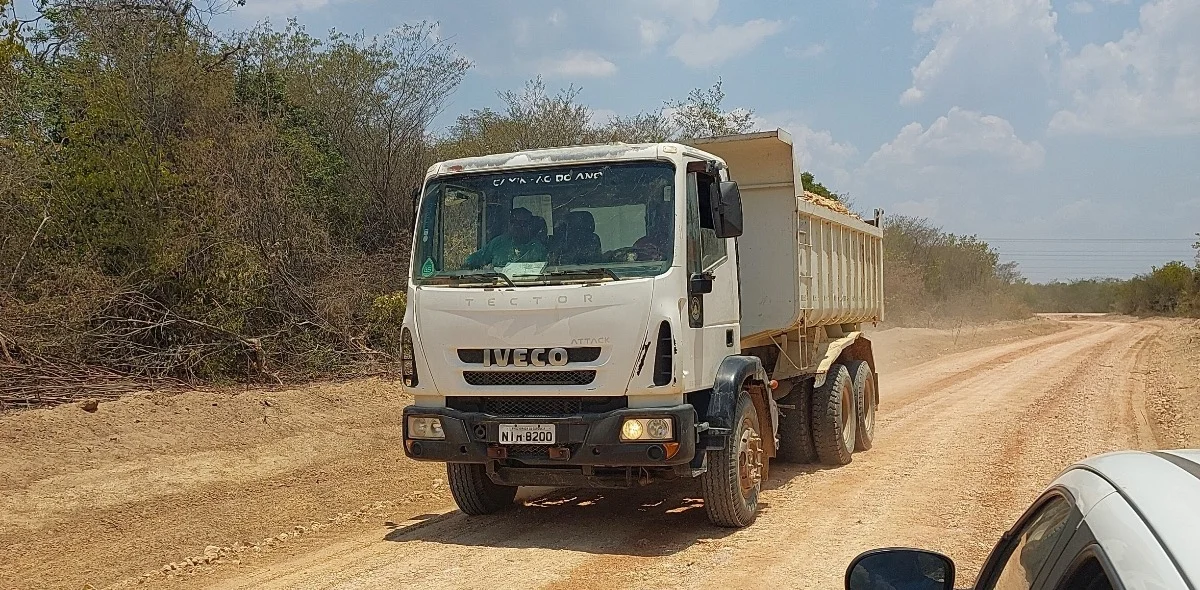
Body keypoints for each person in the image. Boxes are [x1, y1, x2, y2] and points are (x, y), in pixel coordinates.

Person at [463, 207, 547, 269]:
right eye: (514, 222)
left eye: (523, 223)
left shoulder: (538, 247)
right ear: (509, 224)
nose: (518, 226)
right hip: (499, 286)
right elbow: (477, 258)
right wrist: (466, 266)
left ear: (530, 226)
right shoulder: (498, 242)